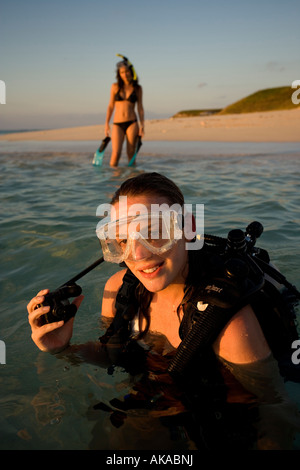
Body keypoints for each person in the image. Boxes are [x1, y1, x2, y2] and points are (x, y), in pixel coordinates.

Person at [27, 172, 300, 450]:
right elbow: (112, 353)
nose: (138, 255)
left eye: (154, 233)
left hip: (222, 409)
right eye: (123, 241)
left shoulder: (227, 323)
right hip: (159, 395)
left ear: (188, 228)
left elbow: (275, 405)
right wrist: (63, 349)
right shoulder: (119, 291)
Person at [104, 56, 144, 167]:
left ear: (131, 72)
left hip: (132, 122)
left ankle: (132, 180)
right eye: (122, 72)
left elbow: (140, 107)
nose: (125, 74)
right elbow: (111, 105)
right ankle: (113, 182)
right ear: (119, 74)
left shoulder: (137, 88)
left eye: (126, 71)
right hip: (117, 123)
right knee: (116, 153)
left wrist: (142, 125)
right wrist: (106, 123)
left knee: (131, 154)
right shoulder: (115, 87)